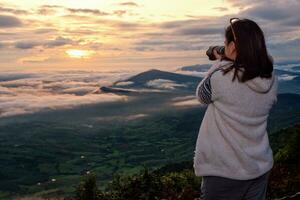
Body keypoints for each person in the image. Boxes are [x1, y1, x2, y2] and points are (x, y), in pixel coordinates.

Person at [193, 18, 278, 200]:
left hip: (225, 172)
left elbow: (202, 94)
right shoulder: (270, 80)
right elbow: (255, 66)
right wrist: (234, 57)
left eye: (226, 44)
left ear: (232, 47)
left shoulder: (221, 78)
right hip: (259, 167)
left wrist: (220, 62)